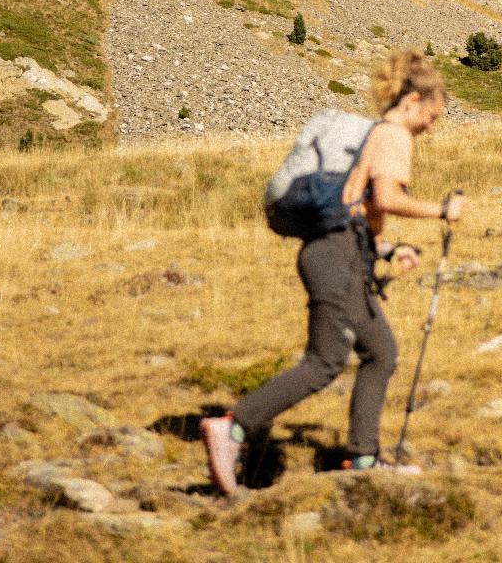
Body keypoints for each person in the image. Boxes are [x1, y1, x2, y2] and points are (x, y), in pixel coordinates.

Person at [200, 49, 466, 496]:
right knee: (324, 361)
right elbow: (384, 200)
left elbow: (359, 212)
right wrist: (442, 209)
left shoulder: (376, 135)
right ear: (414, 101)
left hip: (342, 254)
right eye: (433, 115)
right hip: (337, 259)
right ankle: (233, 427)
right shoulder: (395, 135)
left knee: (380, 352)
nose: (432, 127)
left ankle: (363, 459)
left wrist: (387, 249)